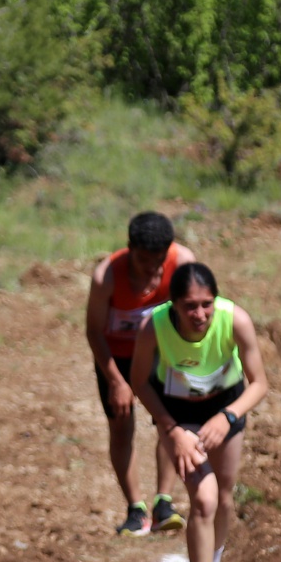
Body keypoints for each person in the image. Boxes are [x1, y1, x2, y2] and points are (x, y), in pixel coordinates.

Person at [130, 262, 268, 562]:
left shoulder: (235, 319)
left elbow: (259, 383)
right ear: (173, 303)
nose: (200, 314)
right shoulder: (153, 326)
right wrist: (171, 430)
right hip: (179, 416)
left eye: (206, 303)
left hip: (226, 408)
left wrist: (227, 416)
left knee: (223, 497)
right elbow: (139, 381)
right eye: (190, 305)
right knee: (203, 500)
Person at [86, 212, 196, 537]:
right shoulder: (106, 276)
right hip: (116, 356)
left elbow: (196, 312)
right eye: (144, 260)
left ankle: (164, 503)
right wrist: (117, 382)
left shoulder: (183, 263)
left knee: (168, 422)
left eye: (158, 260)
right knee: (121, 427)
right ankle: (136, 510)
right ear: (130, 248)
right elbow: (93, 332)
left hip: (162, 353)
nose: (152, 269)